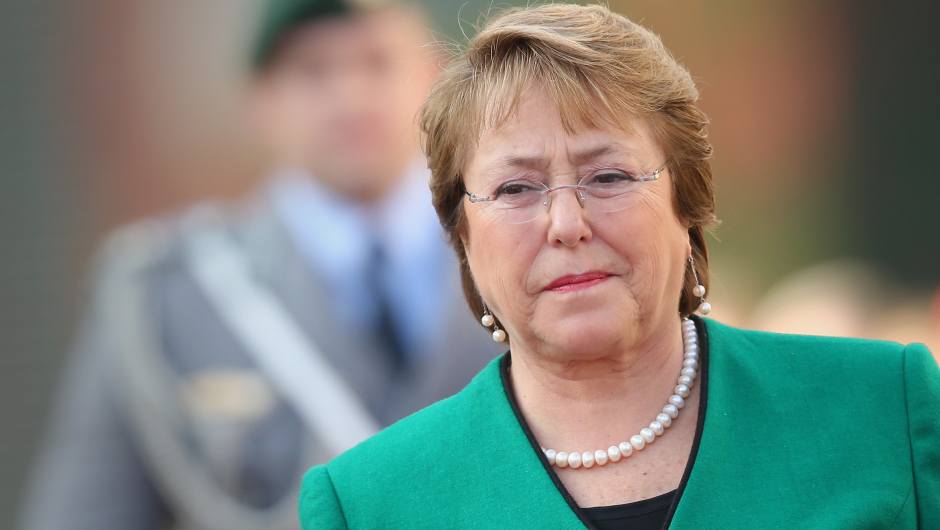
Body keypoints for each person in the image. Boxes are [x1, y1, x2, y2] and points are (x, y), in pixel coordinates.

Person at [298, 4, 940, 528]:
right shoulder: (368, 504)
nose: (567, 224)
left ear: (686, 203)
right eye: (517, 189)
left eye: (607, 175)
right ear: (462, 235)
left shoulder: (884, 410)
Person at [18, 1, 501, 529]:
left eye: (377, 61)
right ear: (260, 101)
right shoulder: (170, 295)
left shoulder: (522, 248)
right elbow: (84, 513)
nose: (351, 98)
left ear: (435, 78)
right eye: (313, 71)